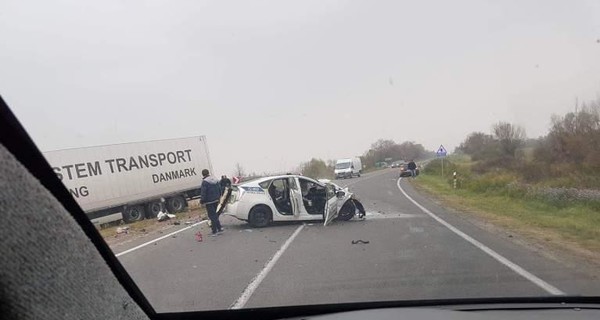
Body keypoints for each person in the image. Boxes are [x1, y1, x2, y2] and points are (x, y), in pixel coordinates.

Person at [200, 169, 223, 236]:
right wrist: (219, 197)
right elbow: (220, 189)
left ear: (203, 174)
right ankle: (219, 228)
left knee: (212, 216)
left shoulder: (205, 182)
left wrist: (202, 200)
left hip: (209, 201)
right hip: (216, 200)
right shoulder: (215, 180)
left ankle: (214, 231)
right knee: (215, 215)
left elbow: (203, 192)